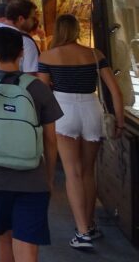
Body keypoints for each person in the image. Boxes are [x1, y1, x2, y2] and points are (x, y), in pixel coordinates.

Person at [0, 27, 62, 262]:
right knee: (28, 244)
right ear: (21, 52)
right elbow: (50, 138)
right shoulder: (38, 87)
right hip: (32, 177)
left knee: (3, 238)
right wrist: (48, 176)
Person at [36, 13, 126, 249]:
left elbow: (43, 93)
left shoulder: (47, 56)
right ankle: (89, 224)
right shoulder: (95, 55)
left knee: (72, 172)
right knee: (88, 171)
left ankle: (83, 231)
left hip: (63, 110)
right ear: (76, 30)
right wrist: (120, 121)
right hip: (91, 108)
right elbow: (115, 91)